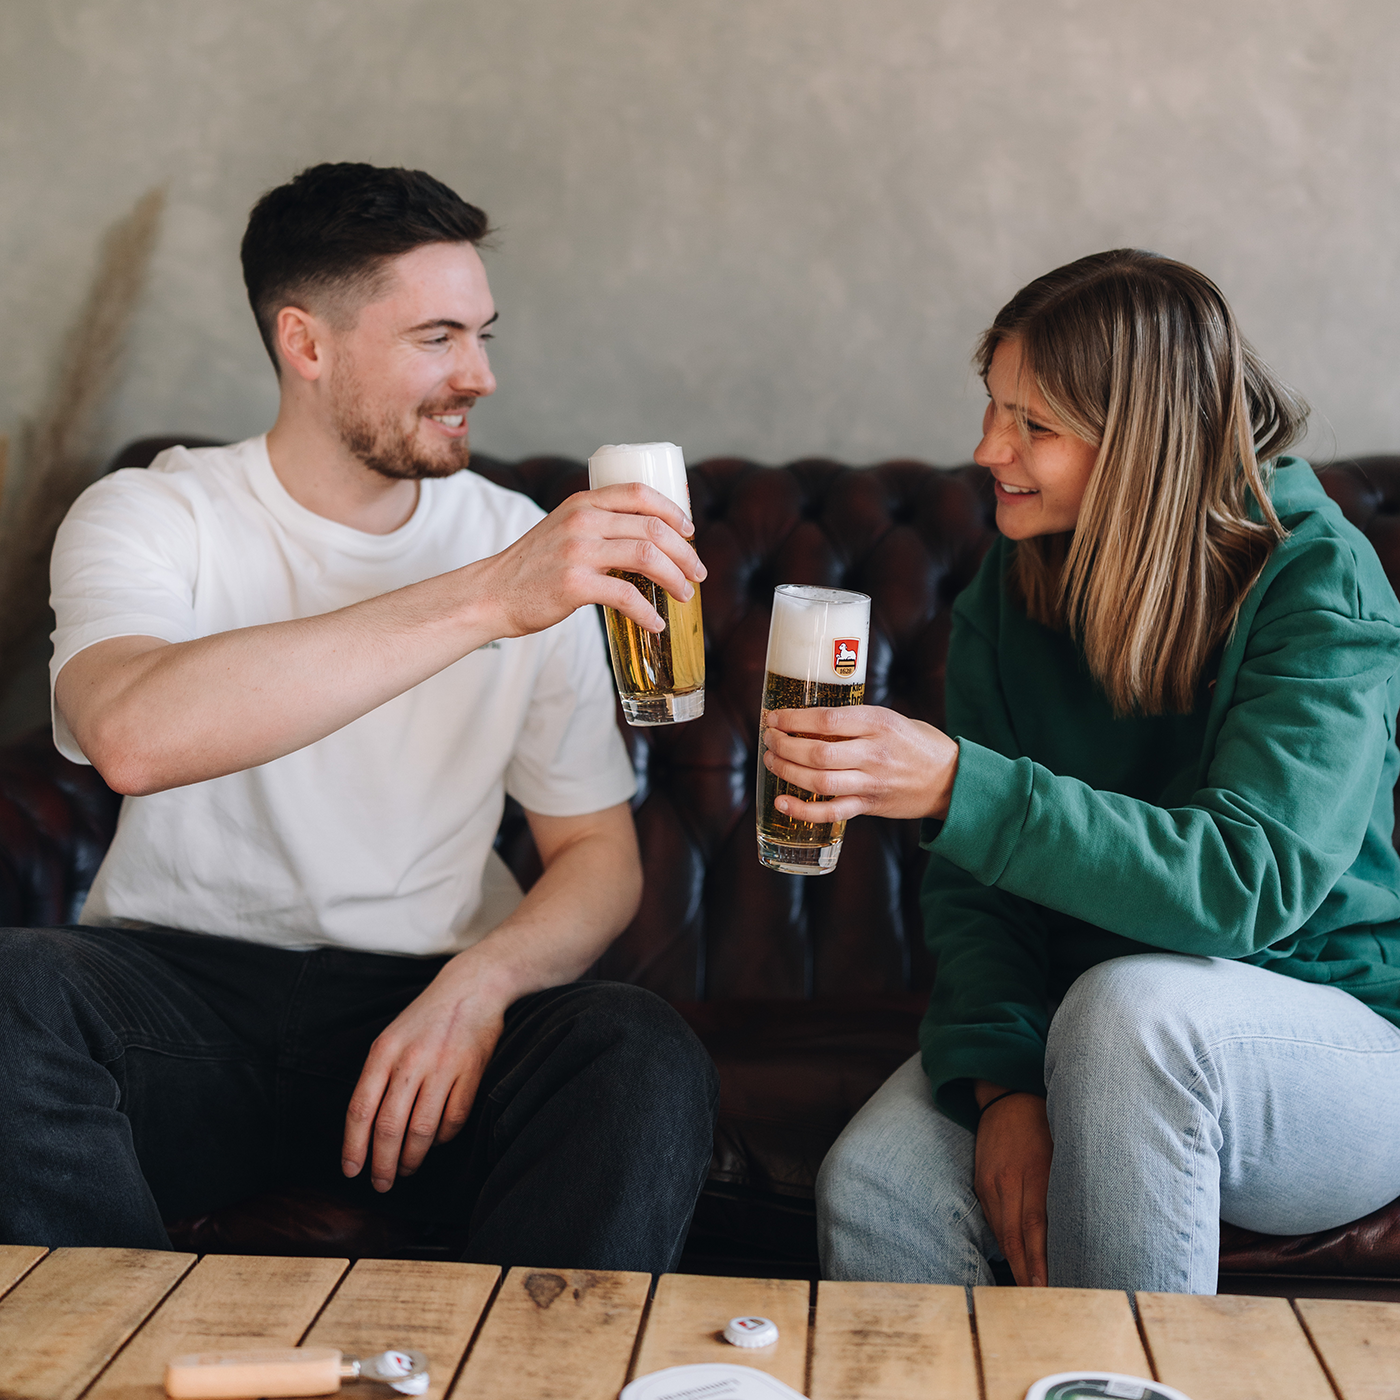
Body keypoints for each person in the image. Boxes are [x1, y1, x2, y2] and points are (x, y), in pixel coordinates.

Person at [0, 162, 719, 1270]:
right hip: (178, 998)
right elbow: (131, 735)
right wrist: (489, 596)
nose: (478, 373)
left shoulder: (521, 533)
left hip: (423, 1009)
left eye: (482, 333)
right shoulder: (154, 511)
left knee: (634, 1044)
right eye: (436, 337)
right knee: (13, 991)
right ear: (307, 342)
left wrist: (480, 986)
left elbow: (596, 855)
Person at [764, 249, 1400, 1293]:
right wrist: (1004, 1083)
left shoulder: (1314, 581)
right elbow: (978, 889)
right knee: (878, 1179)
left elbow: (1245, 883)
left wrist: (958, 787)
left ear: (1144, 441)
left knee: (1128, 1012)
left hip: (1335, 1039)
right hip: (1083, 1038)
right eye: (992, 408)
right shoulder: (1014, 588)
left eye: (1033, 425)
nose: (986, 449)